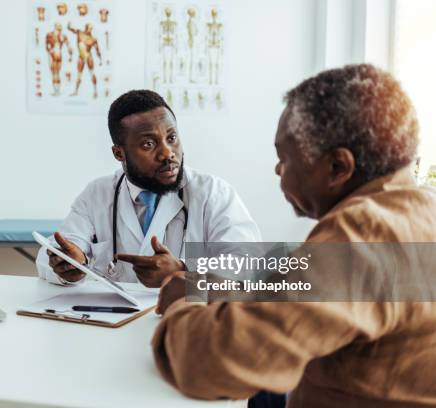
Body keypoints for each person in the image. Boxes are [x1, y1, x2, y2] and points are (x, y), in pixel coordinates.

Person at [152, 64, 436, 407]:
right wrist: (203, 287)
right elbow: (300, 291)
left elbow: (212, 360)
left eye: (283, 158)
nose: (277, 170)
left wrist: (180, 306)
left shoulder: (361, 235)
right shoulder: (419, 209)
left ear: (337, 168)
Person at [36, 89, 261, 287]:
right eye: (148, 144)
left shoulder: (213, 193)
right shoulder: (98, 194)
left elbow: (248, 264)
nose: (167, 153)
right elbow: (50, 256)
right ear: (119, 153)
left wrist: (183, 271)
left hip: (188, 323)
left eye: (171, 137)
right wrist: (69, 266)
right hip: (116, 326)